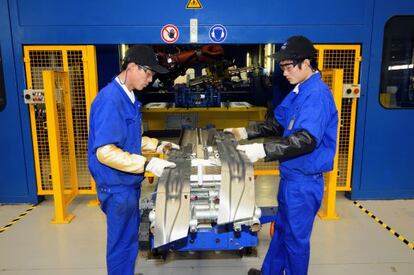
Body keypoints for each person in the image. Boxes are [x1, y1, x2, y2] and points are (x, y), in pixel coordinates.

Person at [225, 36, 338, 275]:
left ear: (306, 63)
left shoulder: (317, 95)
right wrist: (245, 131)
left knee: (296, 243)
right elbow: (278, 123)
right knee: (282, 233)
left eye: (288, 67)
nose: (284, 72)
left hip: (304, 182)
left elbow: (306, 140)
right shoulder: (299, 91)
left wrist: (263, 150)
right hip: (291, 179)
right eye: (282, 67)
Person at [88, 45, 178, 275]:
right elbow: (105, 151)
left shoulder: (128, 97)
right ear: (131, 67)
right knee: (122, 244)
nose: (150, 79)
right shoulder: (110, 100)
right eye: (147, 73)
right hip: (116, 186)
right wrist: (147, 164)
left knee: (129, 241)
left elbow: (130, 139)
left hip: (127, 184)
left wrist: (158, 146)